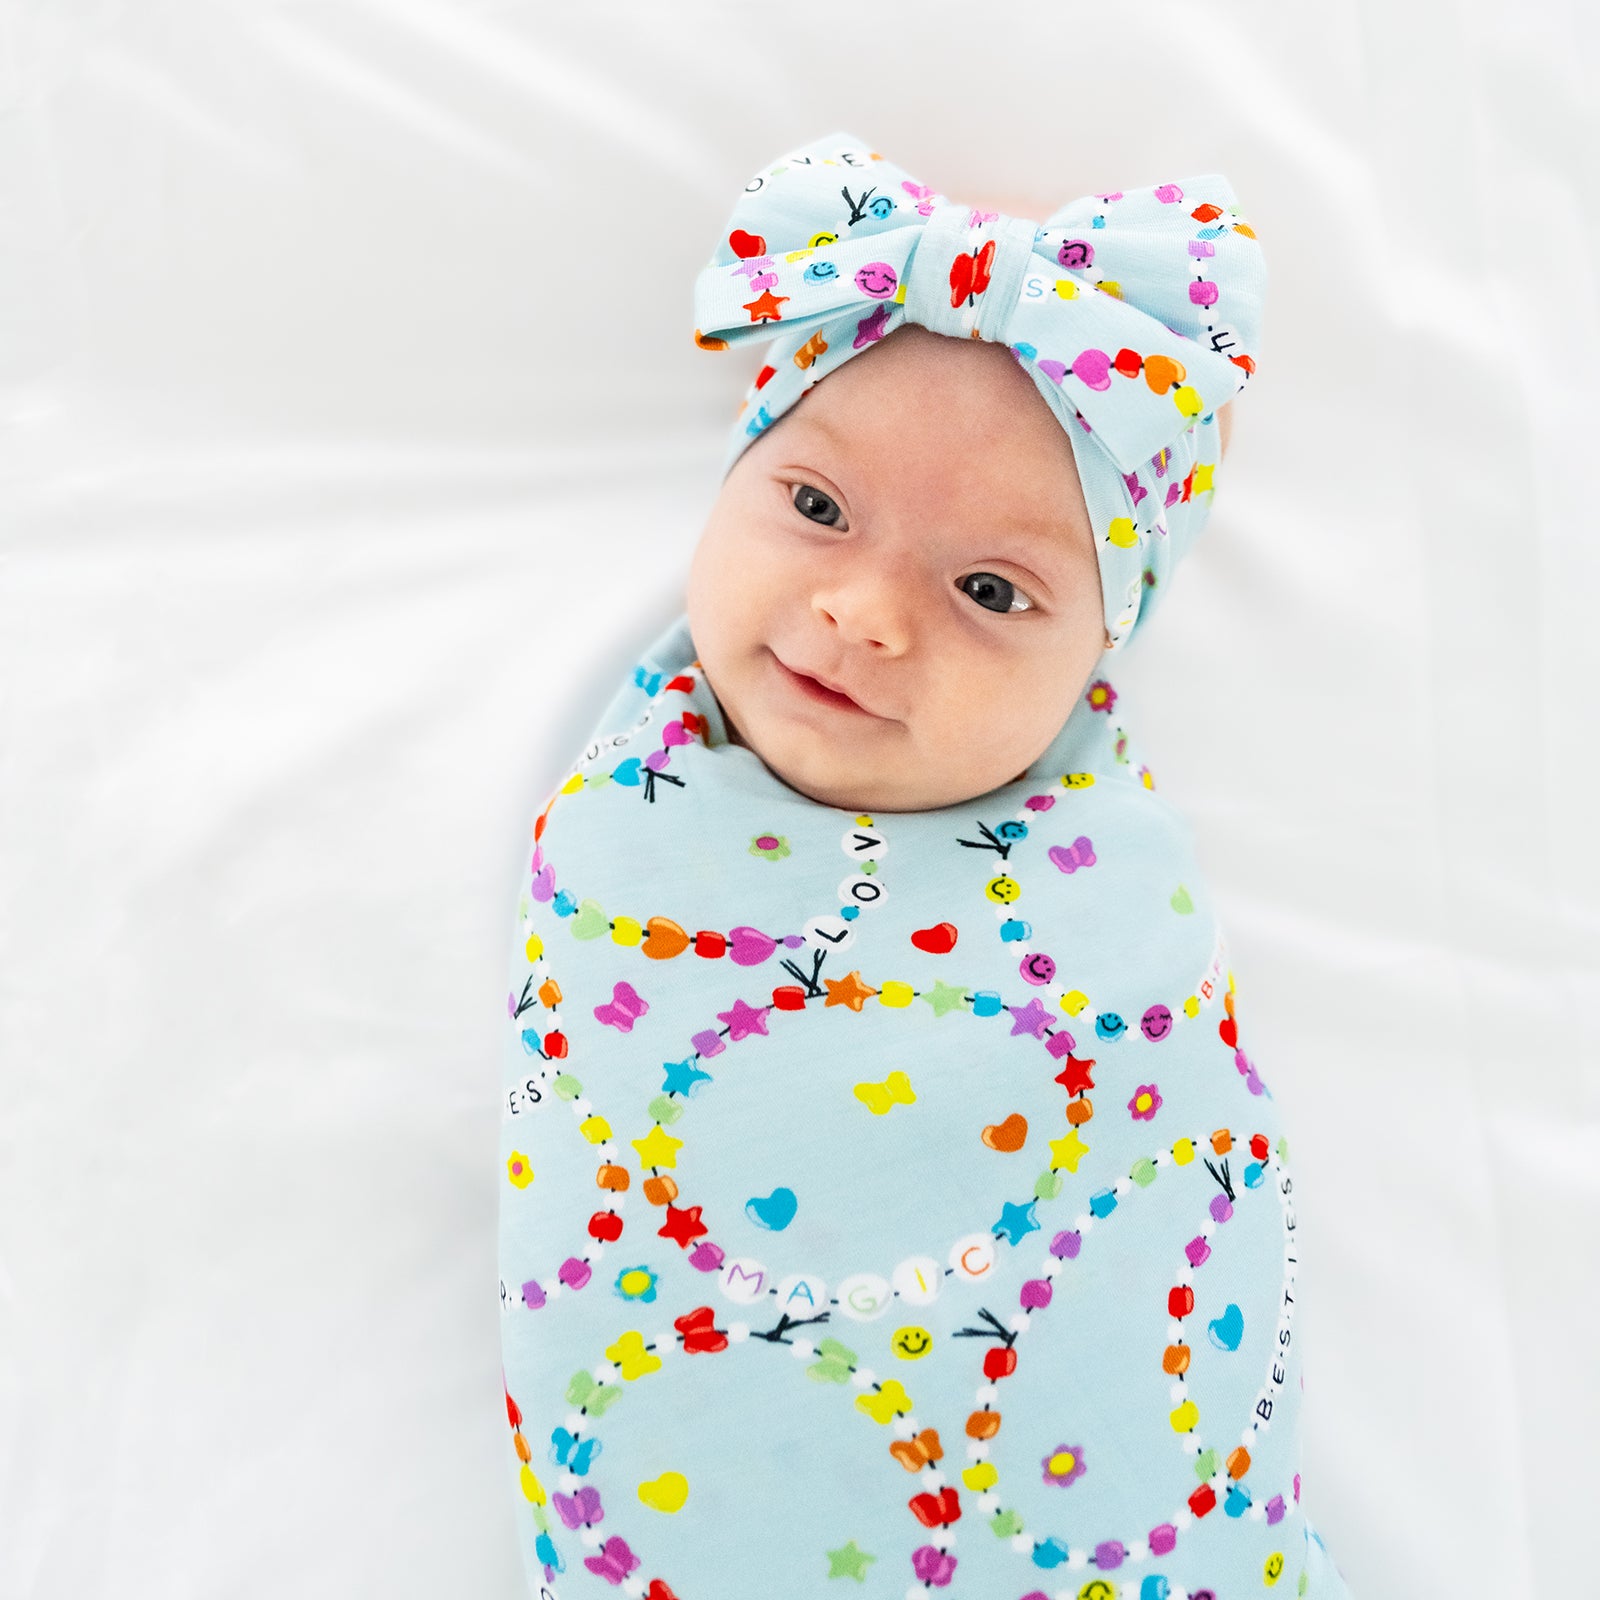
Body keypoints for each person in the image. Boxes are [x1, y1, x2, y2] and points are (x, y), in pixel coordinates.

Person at [499, 132, 1354, 1600]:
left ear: (1103, 645)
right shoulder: (638, 810)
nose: (865, 613)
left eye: (989, 590)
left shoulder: (1111, 898)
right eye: (818, 509)